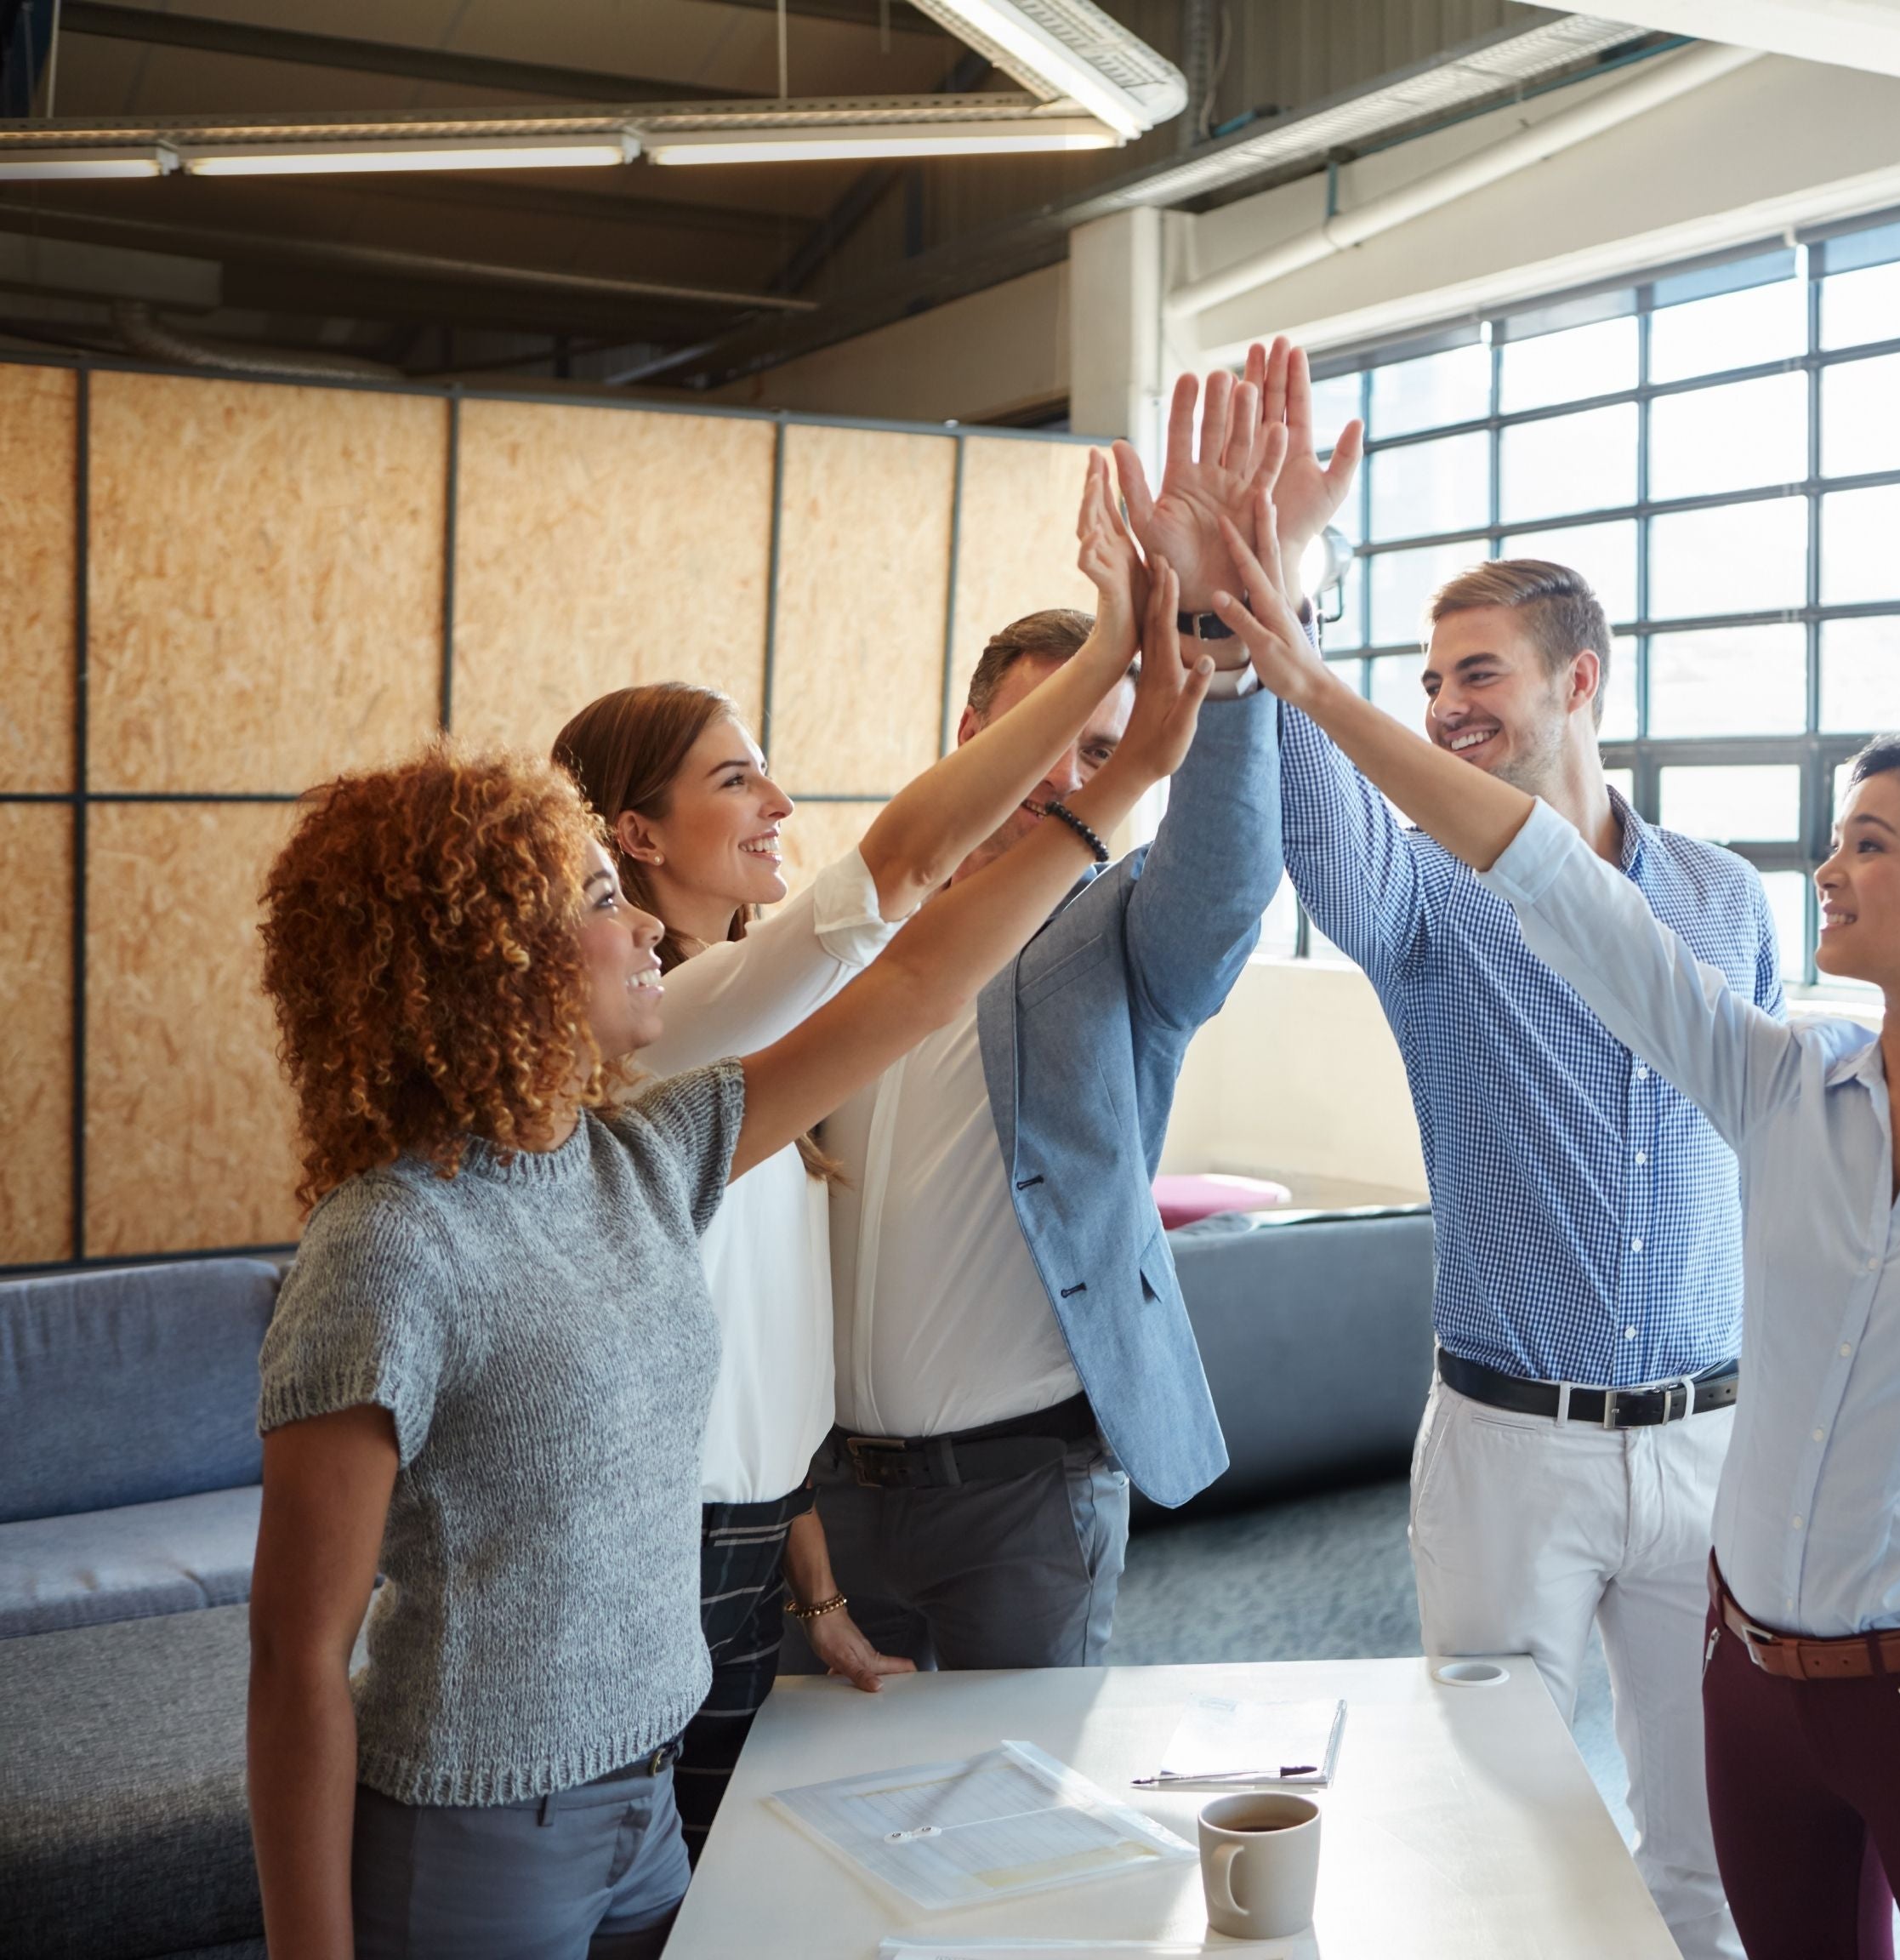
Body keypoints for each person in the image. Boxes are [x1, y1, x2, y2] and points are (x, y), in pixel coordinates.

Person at [1211, 487, 1900, 1960]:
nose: (1827, 870)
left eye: (1869, 845)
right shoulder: (1771, 1071)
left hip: (1845, 1584)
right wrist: (1289, 661)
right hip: (1617, 1534)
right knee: (1518, 1834)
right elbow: (1550, 880)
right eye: (1836, 839)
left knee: (1719, 1891)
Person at [243, 565, 1211, 1959]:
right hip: (473, 1830)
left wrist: (1120, 788)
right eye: (599, 898)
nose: (641, 922)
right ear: (489, 960)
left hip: (643, 1806)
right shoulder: (388, 1245)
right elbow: (294, 1662)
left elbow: (913, 980)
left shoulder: (643, 1156)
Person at [1243, 339, 1771, 1960]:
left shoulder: (1726, 899)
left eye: (1478, 674)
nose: (1445, 707)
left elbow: (1773, 1147)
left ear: (1578, 682)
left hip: (1710, 1443)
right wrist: (1289, 586)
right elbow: (1320, 820)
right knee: (1502, 1836)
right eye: (1430, 681)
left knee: (1716, 1851)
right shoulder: (1422, 893)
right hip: (1508, 1452)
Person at [551, 454, 1153, 1858]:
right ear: (636, 835)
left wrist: (813, 1584)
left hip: (764, 1530)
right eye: (736, 777)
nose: (777, 799)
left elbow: (773, 1359)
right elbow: (903, 915)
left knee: (778, 1876)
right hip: (669, 1539)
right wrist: (1120, 699)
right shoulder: (651, 1031)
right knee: (694, 1891)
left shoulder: (761, 1019)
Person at [788, 374, 1290, 1676]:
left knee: (1026, 1799)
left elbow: (1227, 875)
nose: (1065, 777)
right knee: (819, 1791)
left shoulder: (1119, 932)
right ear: (969, 734)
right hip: (822, 1497)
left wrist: (1223, 657)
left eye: (1105, 750)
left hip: (1025, 1500)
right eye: (1040, 737)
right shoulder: (842, 931)